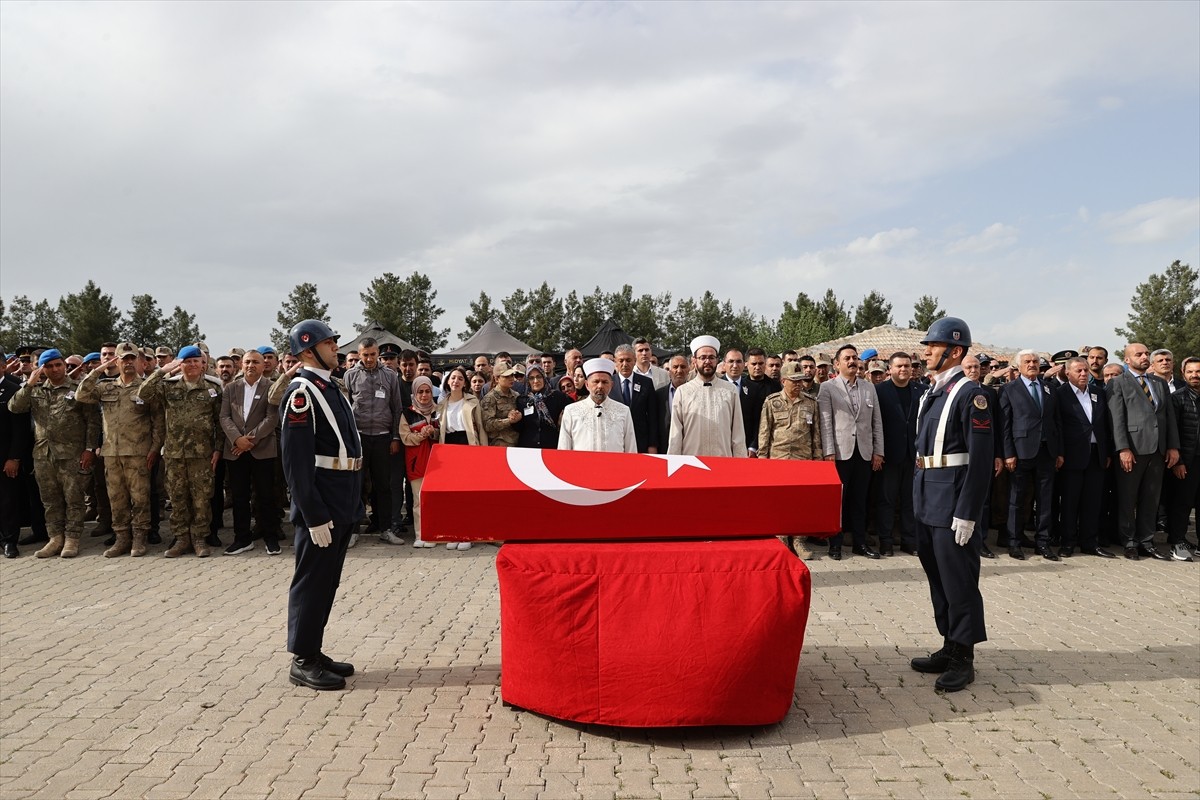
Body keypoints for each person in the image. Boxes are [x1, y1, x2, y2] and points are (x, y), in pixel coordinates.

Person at [909, 317, 993, 693]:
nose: (926, 351)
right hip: (928, 495)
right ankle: (949, 643)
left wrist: (968, 512)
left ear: (955, 351)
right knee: (938, 577)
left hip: (952, 500)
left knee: (959, 580)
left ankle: (964, 657)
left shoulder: (972, 394)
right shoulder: (934, 391)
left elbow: (980, 458)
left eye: (933, 345)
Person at [280, 320, 363, 691]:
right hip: (322, 502)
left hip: (341, 496)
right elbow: (296, 464)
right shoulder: (302, 392)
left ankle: (314, 648)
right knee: (312, 581)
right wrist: (313, 514)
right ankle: (302, 659)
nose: (336, 348)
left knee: (327, 581)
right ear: (308, 350)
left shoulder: (330, 386)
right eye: (330, 343)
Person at [7, 349, 101, 558]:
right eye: (49, 366)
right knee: (50, 500)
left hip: (73, 454)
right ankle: (55, 537)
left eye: (58, 364)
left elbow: (92, 421)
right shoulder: (35, 389)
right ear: (42, 368)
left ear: (64, 365)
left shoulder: (78, 389)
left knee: (74, 499)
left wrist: (89, 449)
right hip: (43, 455)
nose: (55, 369)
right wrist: (30, 383)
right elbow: (15, 407)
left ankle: (72, 538)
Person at [75, 342, 164, 558]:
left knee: (140, 498)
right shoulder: (106, 387)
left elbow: (158, 421)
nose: (128, 362)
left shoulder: (146, 388)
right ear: (117, 361)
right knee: (116, 498)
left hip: (138, 453)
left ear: (140, 361)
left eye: (132, 358)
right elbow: (81, 395)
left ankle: (140, 538)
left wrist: (154, 448)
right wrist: (97, 369)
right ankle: (122, 538)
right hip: (111, 453)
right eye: (123, 358)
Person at [138, 345, 223, 558]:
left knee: (202, 498)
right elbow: (143, 393)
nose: (192, 364)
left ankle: (199, 538)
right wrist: (162, 371)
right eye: (187, 361)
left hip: (202, 454)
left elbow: (219, 422)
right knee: (177, 497)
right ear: (180, 364)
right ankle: (181, 539)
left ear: (202, 364)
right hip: (175, 453)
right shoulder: (168, 387)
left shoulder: (213, 388)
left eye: (196, 361)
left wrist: (218, 449)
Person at [1106, 342, 1179, 560]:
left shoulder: (1158, 382)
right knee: (1128, 498)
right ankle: (1129, 541)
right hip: (1133, 450)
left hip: (1157, 449)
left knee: (1151, 498)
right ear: (1127, 359)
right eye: (1139, 354)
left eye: (1147, 353)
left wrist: (1173, 446)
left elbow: (1169, 417)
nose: (1145, 357)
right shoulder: (1118, 382)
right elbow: (1116, 419)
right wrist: (1123, 448)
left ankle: (1146, 541)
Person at [817, 344, 884, 560]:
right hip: (839, 452)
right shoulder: (828, 388)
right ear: (837, 364)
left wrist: (878, 451)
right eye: (847, 358)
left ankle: (859, 543)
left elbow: (877, 422)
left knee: (860, 500)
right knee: (838, 502)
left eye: (855, 357)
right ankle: (835, 544)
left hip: (864, 452)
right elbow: (826, 422)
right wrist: (828, 452)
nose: (852, 361)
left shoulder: (868, 388)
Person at [999, 350, 1063, 561]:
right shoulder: (1009, 389)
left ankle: (1043, 543)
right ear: (1018, 366)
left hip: (1047, 451)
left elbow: (1057, 422)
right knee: (1017, 499)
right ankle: (1014, 542)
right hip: (1021, 451)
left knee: (1045, 499)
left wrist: (1059, 451)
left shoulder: (1049, 388)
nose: (1032, 364)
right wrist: (1008, 453)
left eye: (1035, 361)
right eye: (1027, 361)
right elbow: (1005, 425)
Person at [219, 348, 282, 556]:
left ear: (264, 365)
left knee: (266, 495)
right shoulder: (231, 388)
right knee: (239, 497)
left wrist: (250, 440)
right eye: (247, 362)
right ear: (241, 365)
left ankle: (270, 537)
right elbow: (224, 417)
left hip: (262, 449)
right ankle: (242, 538)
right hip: (235, 450)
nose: (250, 366)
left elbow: (271, 418)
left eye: (255, 362)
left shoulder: (271, 387)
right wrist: (237, 439)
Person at [343, 338, 404, 545]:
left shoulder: (390, 376)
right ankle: (352, 530)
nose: (369, 359)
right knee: (355, 486)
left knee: (383, 486)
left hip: (382, 437)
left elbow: (396, 408)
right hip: (358, 438)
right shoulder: (350, 375)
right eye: (365, 354)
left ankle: (386, 529)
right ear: (359, 355)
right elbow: (345, 409)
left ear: (377, 354)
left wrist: (395, 436)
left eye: (372, 354)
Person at [1053, 356, 1116, 559]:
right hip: (1072, 456)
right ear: (1068, 373)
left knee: (1093, 502)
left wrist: (1105, 452)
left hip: (1096, 455)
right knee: (1070, 502)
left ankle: (1090, 542)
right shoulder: (1059, 394)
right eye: (1078, 371)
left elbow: (1104, 425)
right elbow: (1057, 426)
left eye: (1085, 371)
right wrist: (1059, 452)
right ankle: (1068, 542)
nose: (1083, 374)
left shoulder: (1098, 393)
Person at [667, 336, 747, 458]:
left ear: (717, 360)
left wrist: (741, 466)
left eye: (711, 357)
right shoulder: (683, 392)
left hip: (723, 464)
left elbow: (738, 434)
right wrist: (673, 465)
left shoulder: (730, 391)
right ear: (694, 361)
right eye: (702, 357)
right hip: (691, 465)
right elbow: (675, 435)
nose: (707, 361)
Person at [874, 352, 921, 557]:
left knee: (911, 500)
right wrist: (878, 451)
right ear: (890, 369)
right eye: (899, 366)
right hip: (889, 455)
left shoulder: (922, 391)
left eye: (907, 366)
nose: (903, 369)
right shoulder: (879, 391)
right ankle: (885, 541)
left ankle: (909, 540)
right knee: (887, 500)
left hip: (913, 454)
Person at [399, 376, 446, 549]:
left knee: (435, 500)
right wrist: (421, 435)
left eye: (427, 391)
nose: (424, 395)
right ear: (414, 393)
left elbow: (444, 433)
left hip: (437, 463)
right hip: (416, 462)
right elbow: (405, 438)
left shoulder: (440, 410)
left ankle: (435, 533)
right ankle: (421, 534)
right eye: (420, 392)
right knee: (419, 500)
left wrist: (433, 432)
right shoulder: (407, 413)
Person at [558, 358, 637, 453]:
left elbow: (631, 449)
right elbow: (563, 450)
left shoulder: (623, 411)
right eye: (596, 381)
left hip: (614, 467)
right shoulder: (571, 411)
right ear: (587, 385)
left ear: (611, 385)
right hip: (581, 467)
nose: (600, 386)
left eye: (604, 382)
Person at [1167, 357, 1200, 560]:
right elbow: (1172, 432)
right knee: (1182, 503)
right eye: (1191, 372)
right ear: (1183, 374)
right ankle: (1177, 542)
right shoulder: (1177, 398)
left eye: (1198, 371)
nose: (1195, 375)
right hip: (1187, 460)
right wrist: (1178, 461)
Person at [610, 344, 660, 453]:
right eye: (621, 360)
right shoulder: (609, 383)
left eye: (628, 360)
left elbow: (653, 416)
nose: (625, 364)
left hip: (640, 442)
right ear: (615, 362)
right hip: (614, 441)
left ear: (634, 360)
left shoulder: (646, 383)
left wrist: (652, 445)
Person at [516, 364, 571, 449]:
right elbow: (519, 428)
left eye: (539, 377)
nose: (536, 381)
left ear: (544, 378)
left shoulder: (557, 397)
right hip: (528, 448)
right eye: (531, 378)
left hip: (551, 446)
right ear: (527, 381)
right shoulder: (522, 400)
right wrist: (515, 420)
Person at [481, 365, 522, 447]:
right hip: (499, 444)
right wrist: (509, 421)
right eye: (507, 376)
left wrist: (519, 416)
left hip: (517, 442)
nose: (511, 378)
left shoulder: (516, 395)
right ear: (497, 379)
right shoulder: (490, 398)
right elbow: (488, 425)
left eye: (512, 375)